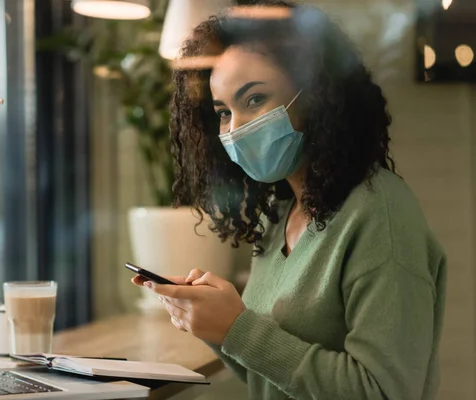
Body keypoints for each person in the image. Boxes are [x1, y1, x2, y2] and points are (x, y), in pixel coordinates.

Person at [132, 1, 446, 399]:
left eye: (254, 100)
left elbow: (383, 392)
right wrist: (214, 323)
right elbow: (274, 376)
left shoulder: (379, 212)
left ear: (315, 95)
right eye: (224, 112)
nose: (236, 129)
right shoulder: (278, 215)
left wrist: (238, 329)